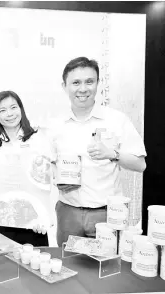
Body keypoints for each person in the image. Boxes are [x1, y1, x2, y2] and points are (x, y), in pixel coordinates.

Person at [52, 57, 147, 246]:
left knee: (107, 269)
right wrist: (57, 179)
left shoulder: (116, 120)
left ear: (98, 83)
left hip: (106, 213)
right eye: (76, 82)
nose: (83, 89)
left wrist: (113, 154)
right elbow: (48, 166)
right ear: (64, 86)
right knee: (68, 265)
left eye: (89, 81)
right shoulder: (56, 125)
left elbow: (140, 164)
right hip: (68, 212)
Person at [0, 90, 57, 246]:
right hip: (4, 218)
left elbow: (46, 181)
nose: (9, 114)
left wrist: (43, 216)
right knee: (1, 267)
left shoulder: (39, 140)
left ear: (21, 109)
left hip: (34, 222)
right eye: (2, 110)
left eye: (13, 107)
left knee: (34, 266)